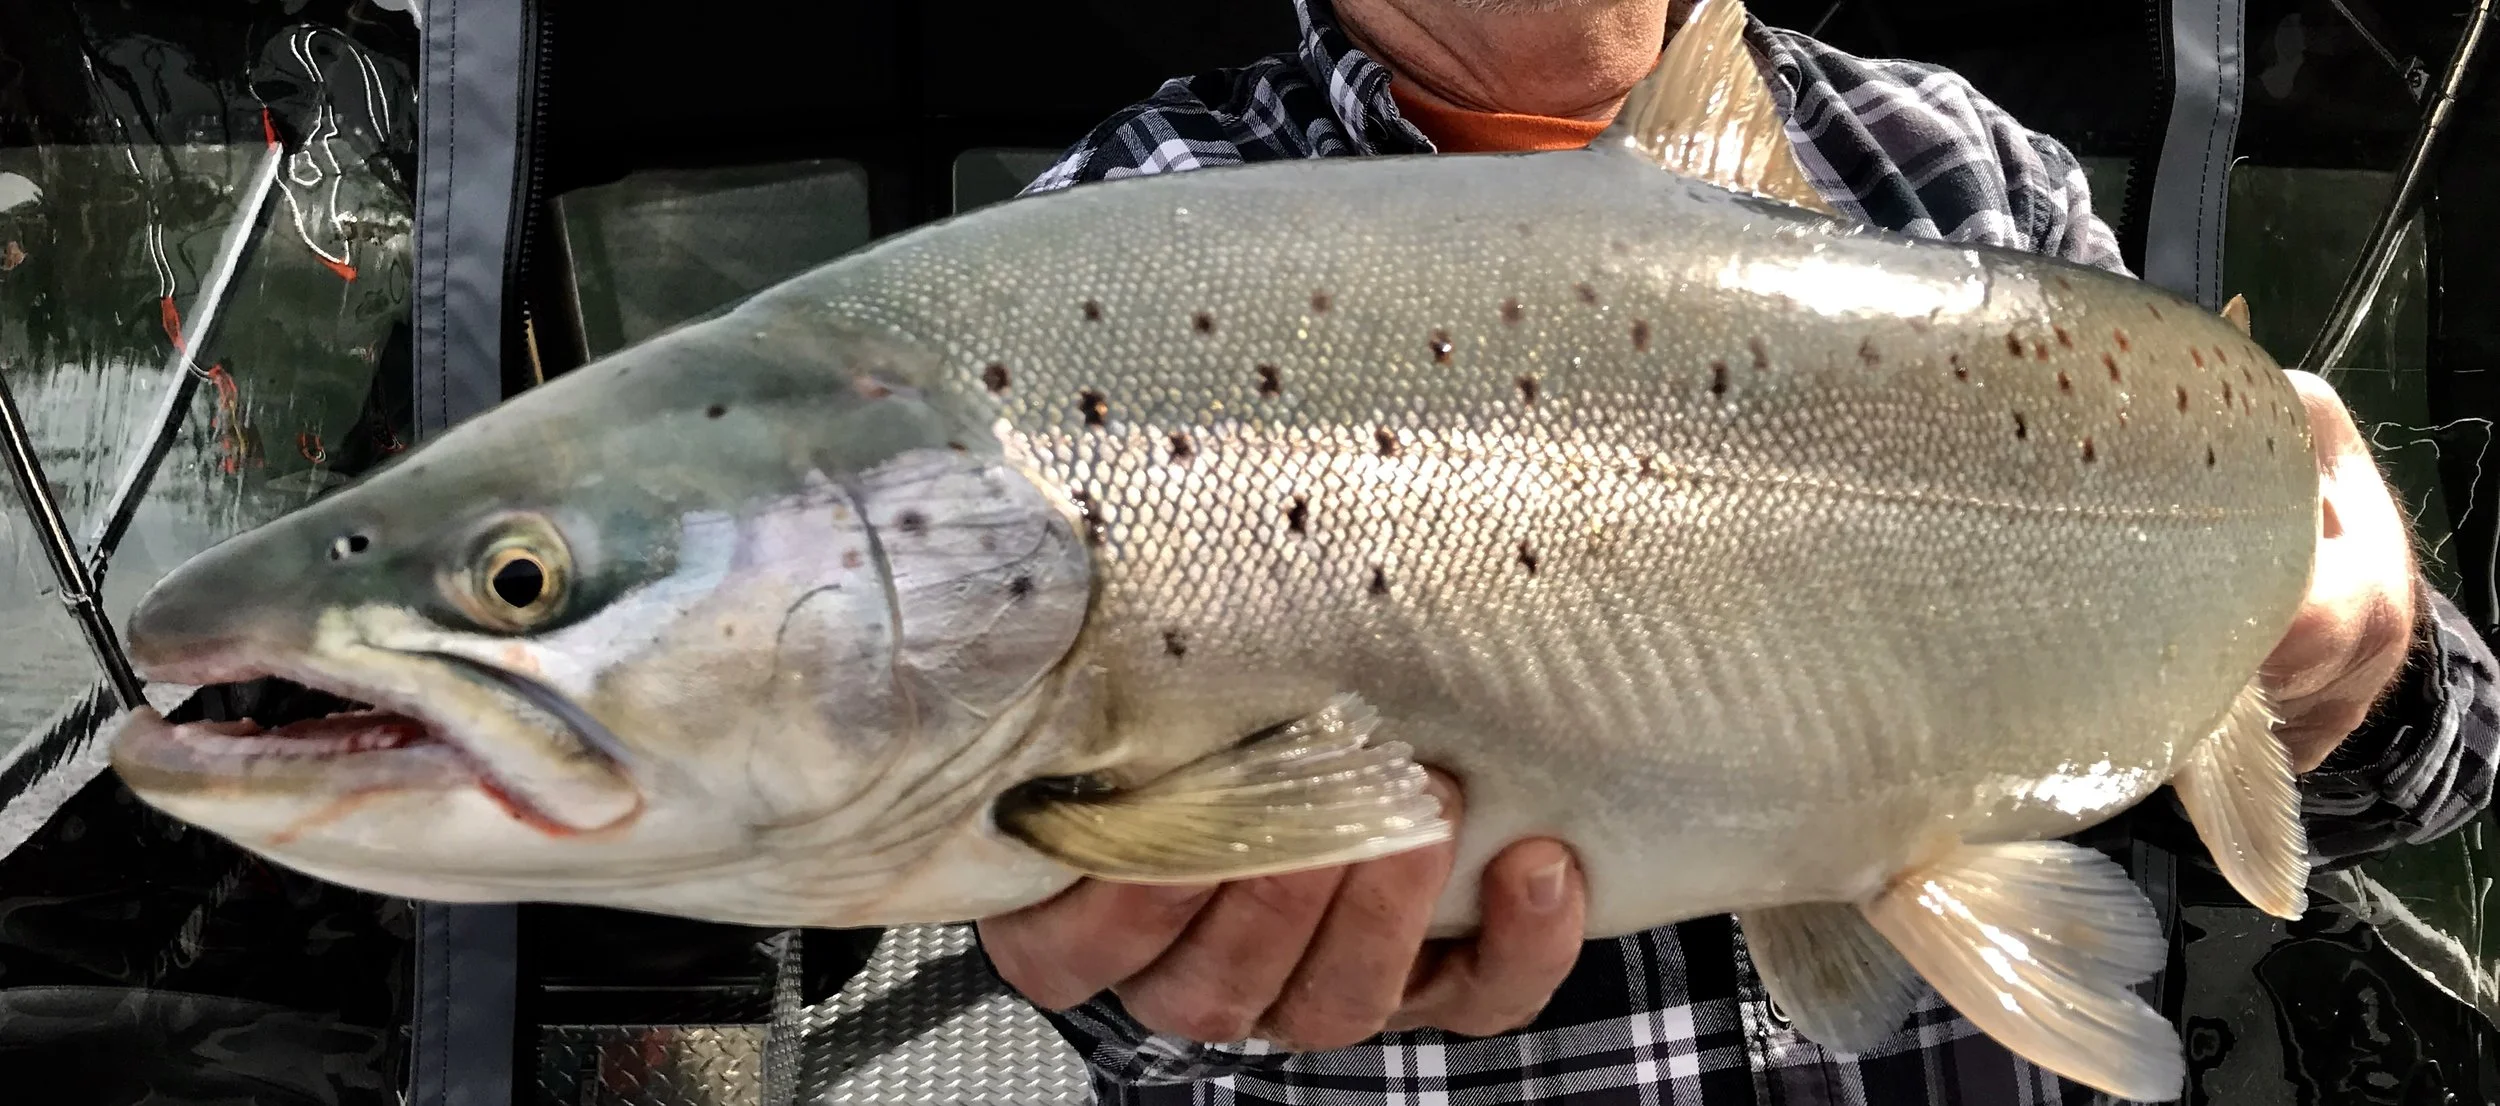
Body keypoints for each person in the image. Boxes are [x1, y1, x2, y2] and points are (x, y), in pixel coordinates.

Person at [976, 0, 2500, 1101]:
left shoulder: (1971, 173)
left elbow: (2447, 767)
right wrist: (1137, 978)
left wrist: (2360, 666)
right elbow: (1063, 952)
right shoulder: (1102, 255)